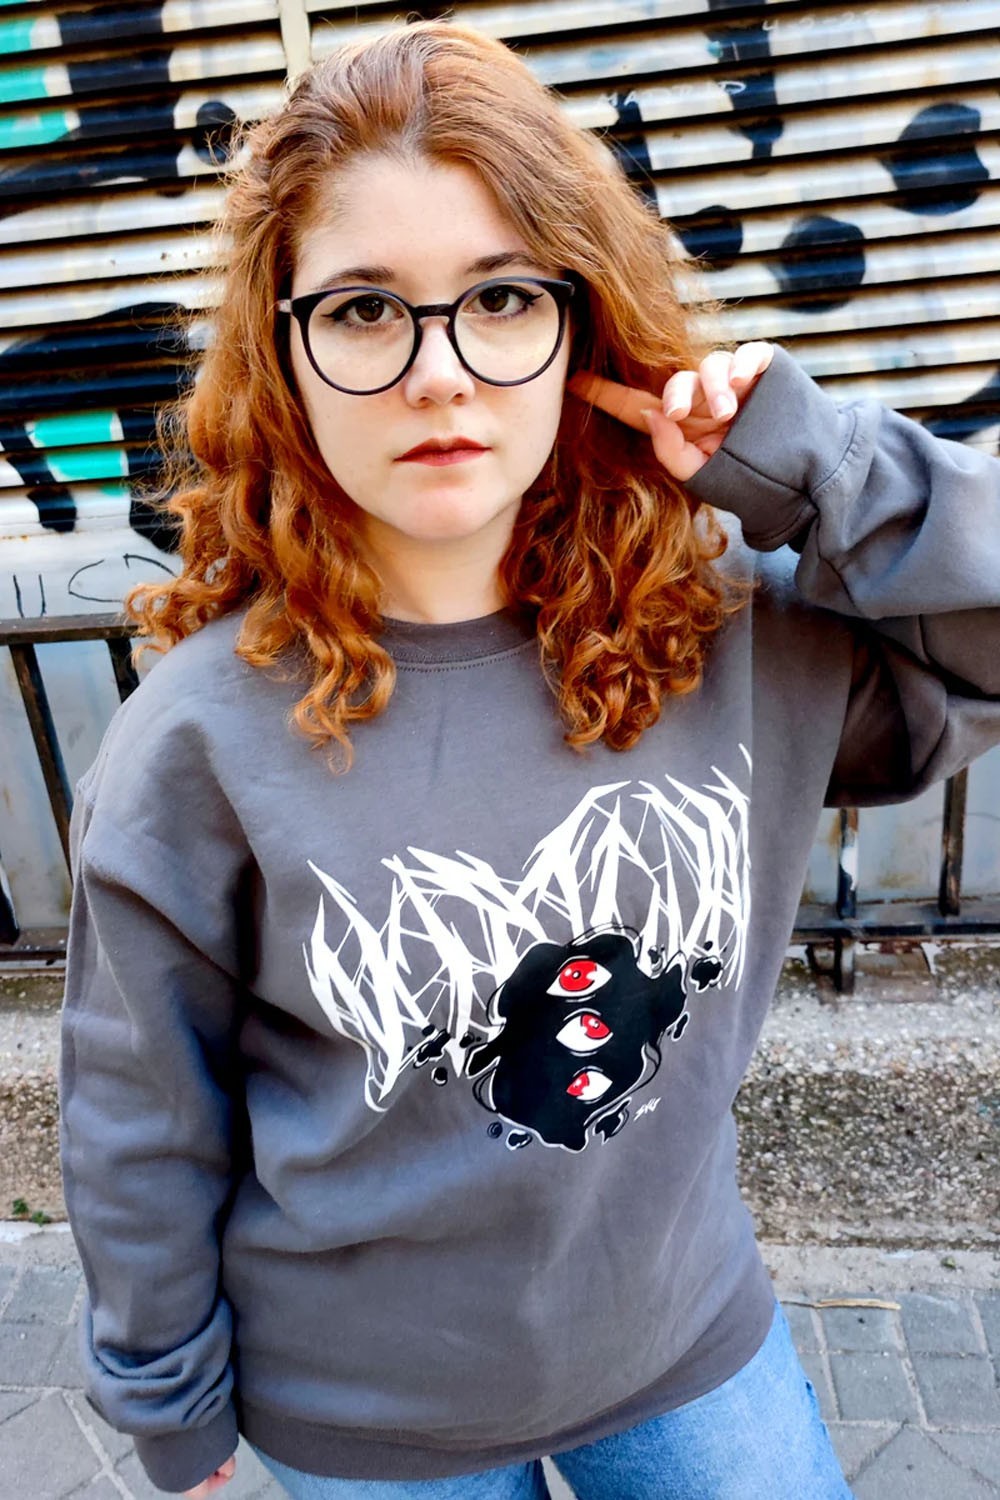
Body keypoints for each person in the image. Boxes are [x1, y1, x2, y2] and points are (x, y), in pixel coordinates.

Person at [57, 18, 1000, 1500]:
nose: (439, 373)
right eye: (364, 310)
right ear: (283, 354)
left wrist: (813, 467)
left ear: (583, 323)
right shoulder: (197, 738)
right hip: (367, 1414)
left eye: (500, 297)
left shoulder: (727, 631)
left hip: (684, 1344)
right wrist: (170, 1406)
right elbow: (138, 1112)